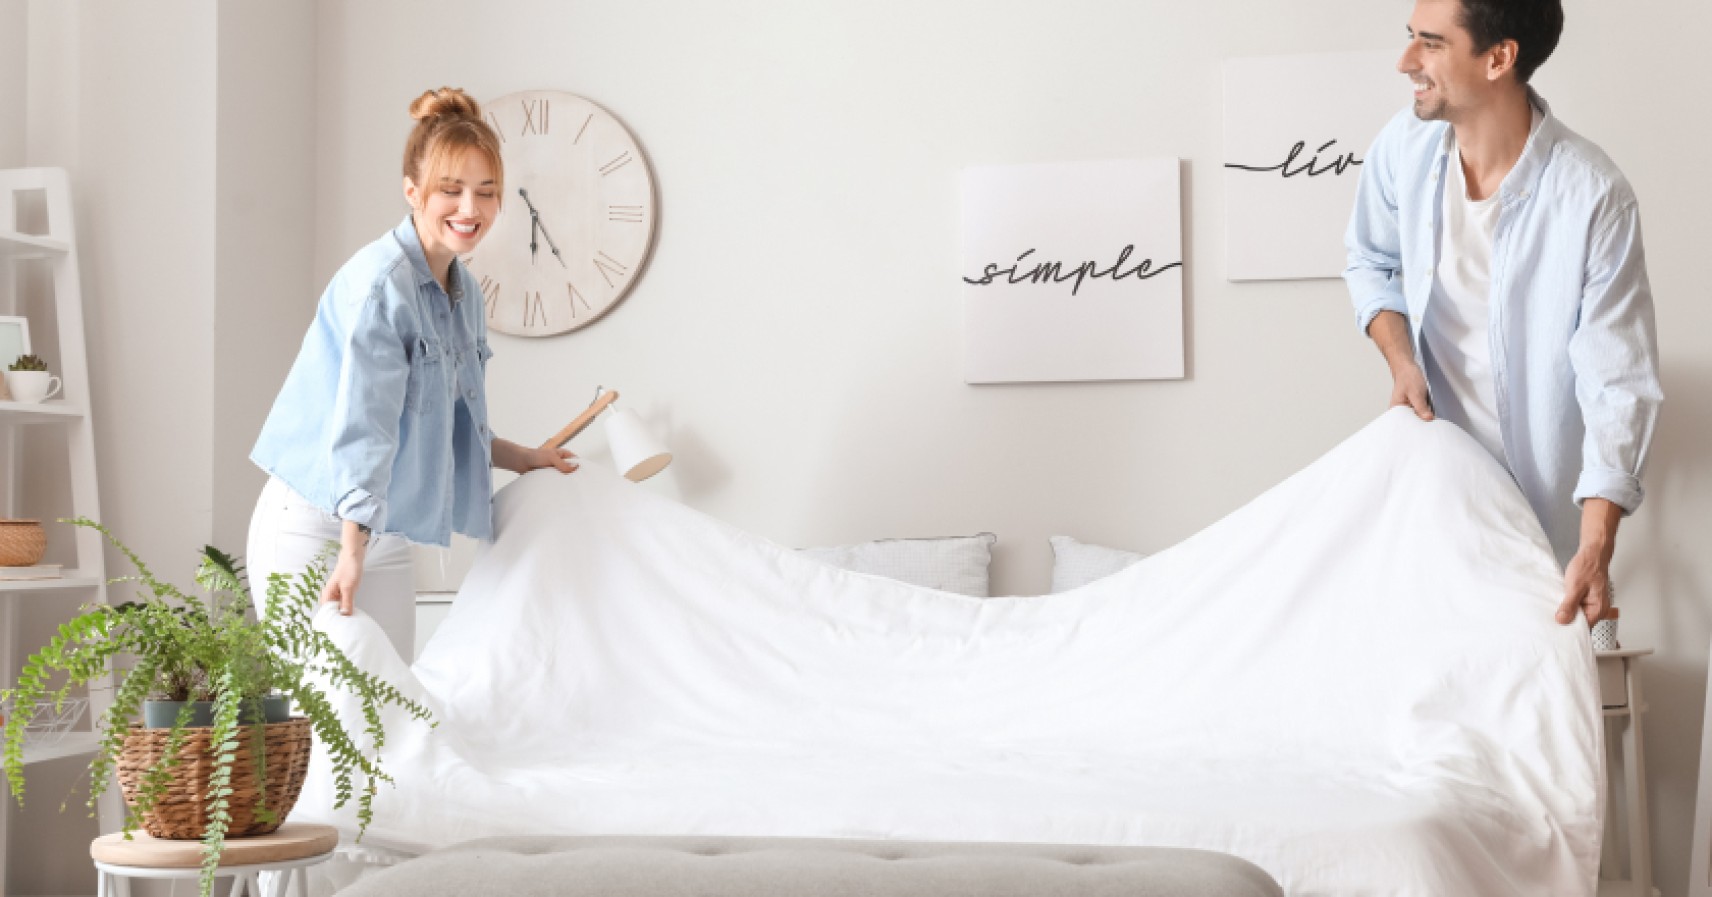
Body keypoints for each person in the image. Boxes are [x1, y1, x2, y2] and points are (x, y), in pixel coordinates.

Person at [1345, 0, 1661, 628]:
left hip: (1535, 524)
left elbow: (1618, 386)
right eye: (1411, 39)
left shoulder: (1593, 196)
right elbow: (1369, 261)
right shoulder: (1402, 148)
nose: (1406, 61)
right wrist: (1401, 360)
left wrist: (1595, 547)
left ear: (1499, 57)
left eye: (1430, 44)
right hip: (1428, 492)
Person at [247, 87, 578, 660]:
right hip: (314, 523)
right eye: (450, 191)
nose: (469, 210)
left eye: (487, 192)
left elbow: (452, 416)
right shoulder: (382, 286)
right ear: (412, 192)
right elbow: (365, 425)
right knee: (318, 713)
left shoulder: (463, 291)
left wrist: (524, 458)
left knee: (389, 709)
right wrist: (351, 551)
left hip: (380, 524)